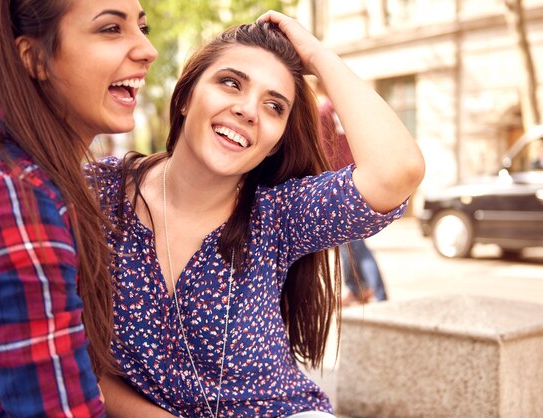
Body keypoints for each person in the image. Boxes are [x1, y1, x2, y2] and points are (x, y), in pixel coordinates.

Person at [92, 11, 424, 417]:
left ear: (273, 143)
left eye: (274, 106)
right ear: (184, 98)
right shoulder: (99, 193)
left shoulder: (279, 215)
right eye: (230, 83)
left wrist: (319, 57)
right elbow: (74, 355)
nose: (249, 111)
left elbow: (397, 171)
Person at [0, 0, 158, 416]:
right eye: (110, 29)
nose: (146, 49)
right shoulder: (8, 189)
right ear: (34, 58)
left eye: (143, 27)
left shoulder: (37, 175)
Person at [313, 79, 388, 305]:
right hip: (356, 177)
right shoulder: (345, 110)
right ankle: (356, 289)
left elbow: (323, 148)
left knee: (355, 244)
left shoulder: (323, 111)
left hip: (338, 182)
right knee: (347, 243)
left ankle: (378, 293)